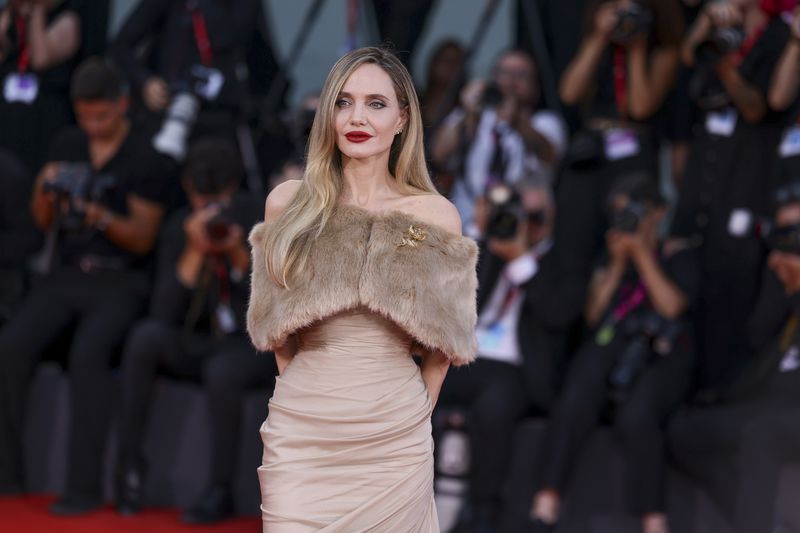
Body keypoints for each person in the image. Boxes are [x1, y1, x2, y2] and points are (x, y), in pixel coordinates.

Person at [246, 46, 479, 531]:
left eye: (376, 103)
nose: (357, 117)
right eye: (343, 101)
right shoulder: (287, 205)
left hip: (394, 436)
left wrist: (416, 416)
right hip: (301, 432)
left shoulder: (434, 216)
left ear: (402, 119)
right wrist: (299, 394)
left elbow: (445, 346)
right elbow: (276, 330)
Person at [0, 57, 173, 513]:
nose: (93, 125)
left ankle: (84, 487)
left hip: (121, 280)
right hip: (66, 272)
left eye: (101, 115)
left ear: (123, 105)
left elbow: (143, 236)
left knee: (89, 353)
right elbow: (42, 222)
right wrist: (46, 187)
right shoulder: (67, 143)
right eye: (85, 115)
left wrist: (100, 215)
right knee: (11, 346)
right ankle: (9, 475)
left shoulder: (147, 156)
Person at [114, 137, 276, 523]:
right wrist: (194, 251)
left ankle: (219, 489)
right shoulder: (179, 226)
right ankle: (128, 469)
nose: (210, 210)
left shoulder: (262, 219)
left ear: (233, 189)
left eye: (217, 199)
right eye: (202, 201)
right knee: (145, 338)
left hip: (246, 346)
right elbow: (163, 312)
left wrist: (238, 254)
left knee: (222, 372)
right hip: (195, 339)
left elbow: (272, 311)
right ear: (188, 189)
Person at [528, 174, 700, 533]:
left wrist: (642, 252)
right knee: (577, 389)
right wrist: (620, 262)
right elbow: (593, 315)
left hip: (662, 348)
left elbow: (672, 307)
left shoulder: (679, 253)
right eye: (620, 214)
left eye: (635, 213)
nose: (627, 221)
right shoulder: (612, 253)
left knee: (639, 415)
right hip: (616, 342)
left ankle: (654, 521)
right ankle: (546, 503)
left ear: (659, 213)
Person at [438, 178, 575, 533]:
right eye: (517, 213)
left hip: (518, 370)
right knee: (408, 384)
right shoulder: (486, 250)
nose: (524, 224)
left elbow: (557, 314)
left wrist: (523, 261)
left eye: (534, 216)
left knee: (496, 403)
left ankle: (483, 510)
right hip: (465, 358)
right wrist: (487, 236)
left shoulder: (564, 260)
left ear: (551, 216)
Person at [671, 0, 791, 395]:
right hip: (704, 180)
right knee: (691, 290)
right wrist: (706, 19)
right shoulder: (720, 26)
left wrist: (727, 67)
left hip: (748, 180)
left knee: (732, 290)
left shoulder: (778, 35)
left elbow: (762, 106)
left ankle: (721, 394)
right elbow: (688, 57)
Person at [669, 179, 800, 533]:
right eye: (783, 237)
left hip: (788, 414)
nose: (779, 256)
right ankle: (768, 524)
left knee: (761, 434)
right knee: (684, 429)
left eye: (793, 237)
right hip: (770, 401)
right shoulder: (784, 282)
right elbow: (759, 330)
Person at [552, 0, 684, 323]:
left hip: (633, 155)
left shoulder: (662, 49)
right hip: (591, 150)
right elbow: (569, 93)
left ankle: (606, 324)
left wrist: (636, 47)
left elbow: (640, 106)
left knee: (621, 241)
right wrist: (599, 36)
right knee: (572, 245)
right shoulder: (595, 40)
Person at [431, 48, 567, 238]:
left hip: (520, 232)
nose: (510, 82)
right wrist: (468, 113)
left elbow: (549, 154)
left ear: (535, 86)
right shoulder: (472, 116)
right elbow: (439, 154)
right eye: (504, 73)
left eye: (520, 75)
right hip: (466, 226)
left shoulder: (544, 122)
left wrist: (517, 121)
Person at [0, 0, 81, 174]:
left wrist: (37, 12)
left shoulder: (67, 18)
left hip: (43, 125)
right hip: (8, 124)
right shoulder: (11, 16)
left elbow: (40, 58)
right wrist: (9, 13)